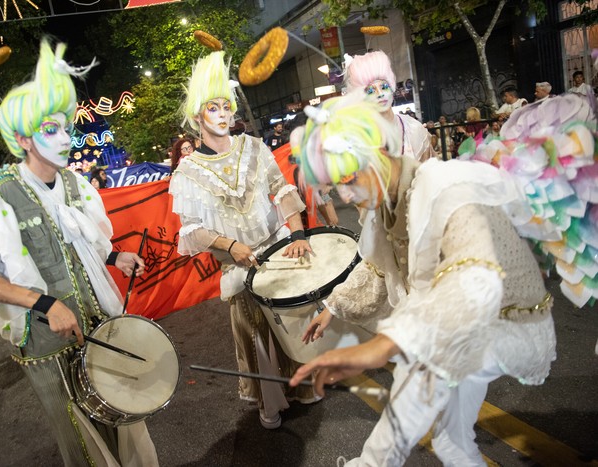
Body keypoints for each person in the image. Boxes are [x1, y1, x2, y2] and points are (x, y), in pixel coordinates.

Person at [289, 94, 557, 466]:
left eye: (349, 177)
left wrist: (380, 347)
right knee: (451, 441)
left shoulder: (445, 187)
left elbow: (476, 282)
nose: (346, 195)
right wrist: (331, 307)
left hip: (502, 323)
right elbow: (380, 266)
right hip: (455, 326)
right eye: (335, 186)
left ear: (380, 151)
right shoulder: (388, 199)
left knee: (419, 370)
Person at [0, 40, 158, 467]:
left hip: (98, 324)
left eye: (66, 127)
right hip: (47, 340)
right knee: (80, 434)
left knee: (123, 414)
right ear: (23, 139)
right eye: (50, 129)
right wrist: (43, 303)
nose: (65, 138)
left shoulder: (77, 185)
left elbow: (80, 246)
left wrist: (114, 258)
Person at [168, 51, 317, 429]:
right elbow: (192, 230)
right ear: (198, 116)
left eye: (226, 106)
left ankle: (303, 388)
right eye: (212, 107)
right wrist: (232, 246)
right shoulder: (187, 171)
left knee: (294, 321)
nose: (222, 114)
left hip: (278, 250)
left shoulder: (253, 146)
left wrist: (297, 231)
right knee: (256, 332)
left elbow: (282, 189)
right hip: (240, 267)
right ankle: (271, 401)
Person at [343, 52, 434, 162]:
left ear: (391, 88)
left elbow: (432, 171)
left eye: (384, 86)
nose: (380, 94)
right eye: (371, 91)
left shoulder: (413, 128)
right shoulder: (360, 138)